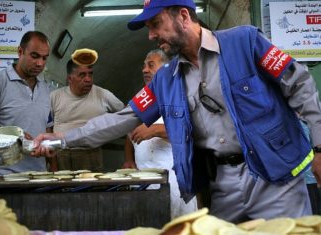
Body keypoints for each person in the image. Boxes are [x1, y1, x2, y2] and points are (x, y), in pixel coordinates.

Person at [33, 0, 321, 223]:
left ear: (183, 15)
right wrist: (61, 140)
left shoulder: (245, 42)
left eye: (156, 24)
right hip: (222, 186)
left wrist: (320, 148)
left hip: (275, 179)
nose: (151, 35)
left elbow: (300, 85)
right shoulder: (165, 79)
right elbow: (122, 119)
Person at [122, 49, 197, 219]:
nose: (144, 70)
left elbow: (190, 131)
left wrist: (155, 130)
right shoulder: (141, 99)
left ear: (167, 68)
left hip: (173, 182)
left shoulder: (181, 94)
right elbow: (128, 134)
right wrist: (129, 159)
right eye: (144, 66)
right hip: (143, 181)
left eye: (151, 65)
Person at [51, 53, 125, 172]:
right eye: (82, 75)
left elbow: (126, 115)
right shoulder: (55, 97)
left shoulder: (103, 95)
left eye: (90, 74)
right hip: (61, 156)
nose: (88, 79)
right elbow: (47, 129)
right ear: (70, 78)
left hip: (91, 156)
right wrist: (53, 165)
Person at [0, 31, 56, 175]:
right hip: (4, 176)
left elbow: (48, 130)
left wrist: (53, 168)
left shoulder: (46, 88)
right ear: (20, 51)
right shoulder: (0, 81)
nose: (40, 63)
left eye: (44, 58)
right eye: (34, 56)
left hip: (39, 175)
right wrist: (12, 136)